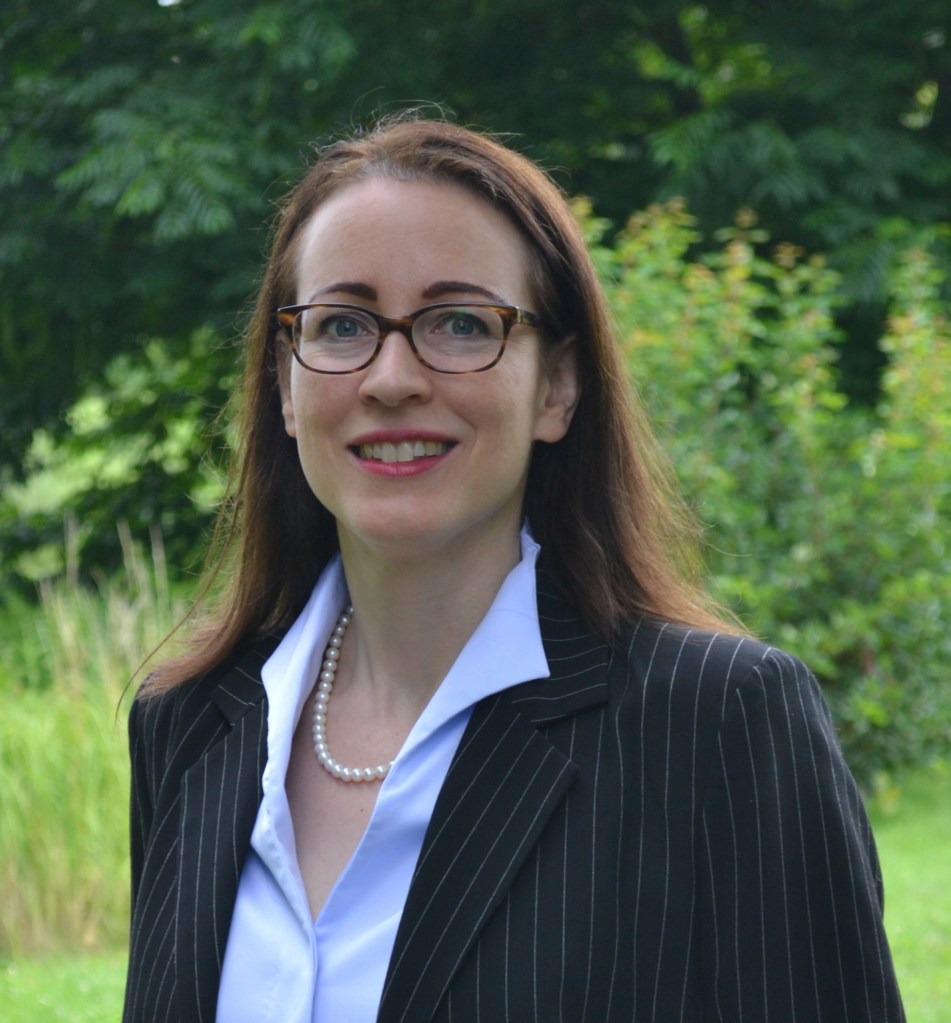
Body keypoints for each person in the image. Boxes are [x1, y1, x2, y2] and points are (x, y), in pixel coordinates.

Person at [123, 115, 905, 1022]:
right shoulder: (186, 727)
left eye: (459, 322)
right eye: (341, 324)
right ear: (287, 386)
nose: (390, 377)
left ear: (558, 387)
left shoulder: (716, 722)